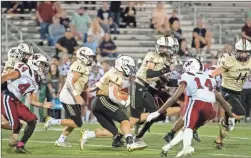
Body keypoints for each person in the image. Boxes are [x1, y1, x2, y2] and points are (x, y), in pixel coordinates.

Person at [146, 58, 235, 157]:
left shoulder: (187, 76)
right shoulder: (209, 76)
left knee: (188, 128)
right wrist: (231, 116)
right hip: (210, 110)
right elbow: (222, 101)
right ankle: (167, 147)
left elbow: (173, 97)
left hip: (197, 105)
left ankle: (186, 147)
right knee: (188, 129)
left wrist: (158, 111)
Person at [79, 55, 143, 152]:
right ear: (123, 66)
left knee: (113, 132)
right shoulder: (116, 75)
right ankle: (131, 143)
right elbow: (113, 95)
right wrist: (123, 102)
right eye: (130, 67)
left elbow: (97, 86)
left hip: (97, 102)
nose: (131, 70)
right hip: (103, 100)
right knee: (125, 120)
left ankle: (87, 134)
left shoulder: (112, 72)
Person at [129, 36, 179, 147]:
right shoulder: (152, 55)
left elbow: (160, 77)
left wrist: (175, 83)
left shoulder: (164, 59)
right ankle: (119, 136)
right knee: (135, 118)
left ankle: (138, 136)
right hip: (138, 85)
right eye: (162, 47)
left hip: (145, 87)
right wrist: (166, 70)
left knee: (157, 114)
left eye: (166, 47)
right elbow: (149, 74)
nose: (164, 49)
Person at [43, 47, 95, 148]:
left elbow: (79, 83)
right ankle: (52, 121)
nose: (91, 59)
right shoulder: (80, 66)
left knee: (74, 121)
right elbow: (69, 82)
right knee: (77, 123)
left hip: (72, 96)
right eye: (89, 57)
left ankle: (60, 140)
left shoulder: (83, 66)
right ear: (83, 57)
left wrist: (87, 88)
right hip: (69, 96)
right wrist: (76, 95)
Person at [1, 54, 52, 153]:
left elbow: (32, 101)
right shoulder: (25, 69)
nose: (43, 68)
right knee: (15, 124)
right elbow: (7, 76)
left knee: (32, 120)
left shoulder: (36, 81)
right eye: (42, 65)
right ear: (34, 63)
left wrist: (42, 105)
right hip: (7, 96)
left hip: (15, 100)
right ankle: (14, 137)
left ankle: (20, 146)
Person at [212, 39, 251, 149]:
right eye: (241, 51)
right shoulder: (230, 60)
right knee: (240, 114)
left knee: (229, 121)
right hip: (225, 90)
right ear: (236, 51)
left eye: (246, 52)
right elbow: (215, 72)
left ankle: (219, 141)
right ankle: (226, 123)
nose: (244, 54)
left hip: (237, 92)